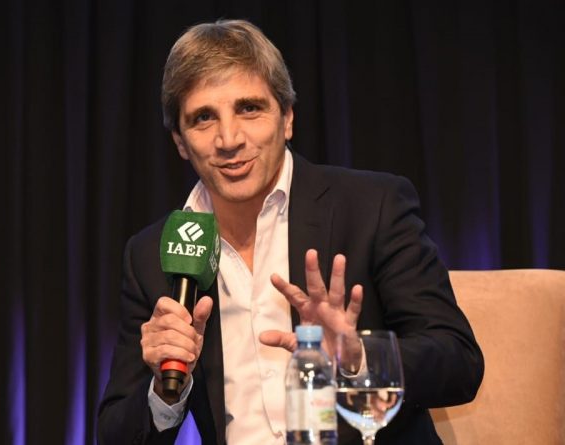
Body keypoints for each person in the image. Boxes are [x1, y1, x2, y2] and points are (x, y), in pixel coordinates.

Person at [97, 19, 483, 445]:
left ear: (287, 118)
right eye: (203, 118)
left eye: (249, 108)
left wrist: (358, 360)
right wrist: (163, 388)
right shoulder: (151, 254)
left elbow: (458, 362)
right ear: (180, 142)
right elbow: (117, 435)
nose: (229, 138)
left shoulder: (371, 207)